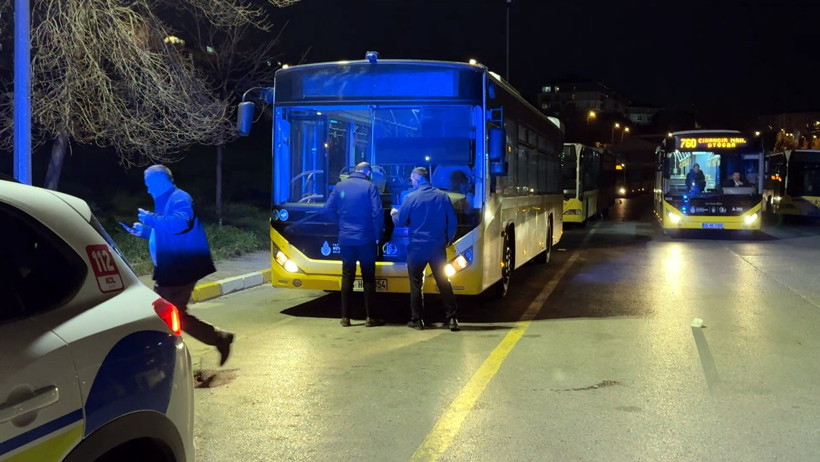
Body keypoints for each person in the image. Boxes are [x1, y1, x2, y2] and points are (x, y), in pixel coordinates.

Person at [124, 165, 234, 365]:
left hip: (181, 268)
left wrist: (150, 218)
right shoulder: (166, 199)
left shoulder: (180, 198)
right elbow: (167, 233)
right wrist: (146, 232)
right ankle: (215, 339)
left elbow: (179, 224)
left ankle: (165, 360)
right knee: (171, 314)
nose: (148, 189)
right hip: (172, 268)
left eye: (150, 185)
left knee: (164, 314)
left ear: (161, 182)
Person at [390, 167, 460, 332]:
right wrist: (447, 241)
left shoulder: (411, 197)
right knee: (444, 282)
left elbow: (400, 222)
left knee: (416, 284)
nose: (412, 182)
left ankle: (418, 320)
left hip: (417, 248)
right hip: (437, 248)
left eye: (412, 179)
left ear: (417, 179)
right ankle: (452, 319)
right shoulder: (443, 196)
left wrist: (394, 213)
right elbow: (453, 222)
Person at [325, 162, 385, 328]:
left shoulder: (340, 186)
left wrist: (340, 225)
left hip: (346, 238)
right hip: (366, 239)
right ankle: (370, 317)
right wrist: (377, 235)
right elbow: (377, 212)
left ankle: (345, 317)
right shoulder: (370, 187)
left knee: (347, 276)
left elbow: (327, 209)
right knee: (368, 278)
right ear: (368, 173)